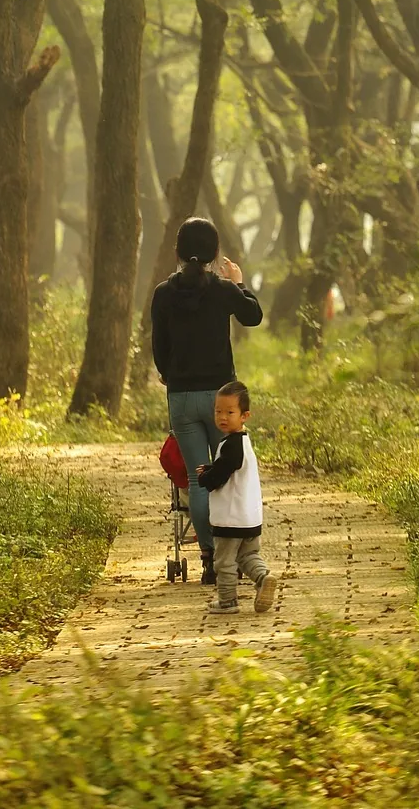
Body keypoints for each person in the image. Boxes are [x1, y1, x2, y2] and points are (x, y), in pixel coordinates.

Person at [151, 215, 263, 585]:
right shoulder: (221, 289)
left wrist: (171, 376)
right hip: (221, 400)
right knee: (226, 477)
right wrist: (239, 283)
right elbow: (253, 316)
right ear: (215, 253)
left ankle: (210, 559)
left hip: (181, 398)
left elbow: (159, 349)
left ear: (178, 252)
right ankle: (238, 556)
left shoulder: (163, 293)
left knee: (200, 481)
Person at [197, 379, 276, 614]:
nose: (222, 417)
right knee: (248, 555)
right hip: (249, 517)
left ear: (245, 416)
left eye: (230, 412)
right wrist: (211, 468)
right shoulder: (242, 442)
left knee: (224, 562)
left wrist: (206, 478)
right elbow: (228, 468)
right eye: (218, 411)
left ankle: (228, 601)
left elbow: (221, 474)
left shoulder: (231, 445)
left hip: (230, 518)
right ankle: (263, 578)